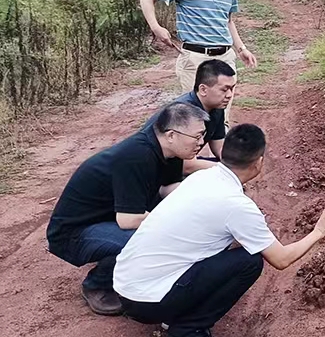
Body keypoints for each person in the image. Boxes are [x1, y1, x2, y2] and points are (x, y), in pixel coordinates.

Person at [114, 124, 325, 337]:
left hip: (126, 286)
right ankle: (184, 335)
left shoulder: (202, 177)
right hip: (146, 301)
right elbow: (281, 259)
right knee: (249, 261)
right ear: (259, 162)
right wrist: (319, 231)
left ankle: (174, 311)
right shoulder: (237, 205)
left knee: (233, 248)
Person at [46, 103, 211, 317]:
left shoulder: (171, 153)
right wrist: (174, 225)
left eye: (203, 136)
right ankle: (98, 285)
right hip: (73, 233)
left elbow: (166, 189)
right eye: (197, 137)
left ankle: (123, 262)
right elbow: (128, 220)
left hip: (107, 218)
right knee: (151, 237)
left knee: (170, 225)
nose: (201, 143)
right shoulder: (137, 156)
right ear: (171, 135)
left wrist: (204, 198)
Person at [139, 0, 258, 124]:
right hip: (195, 60)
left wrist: (241, 49)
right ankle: (193, 152)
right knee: (196, 117)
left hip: (225, 57)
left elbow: (228, 21)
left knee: (222, 116)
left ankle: (219, 152)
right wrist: (156, 28)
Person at [143, 59, 236, 161]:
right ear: (203, 90)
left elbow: (219, 147)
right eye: (224, 89)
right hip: (153, 167)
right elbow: (186, 166)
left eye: (232, 89)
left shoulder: (217, 107)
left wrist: (237, 162)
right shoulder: (184, 112)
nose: (230, 95)